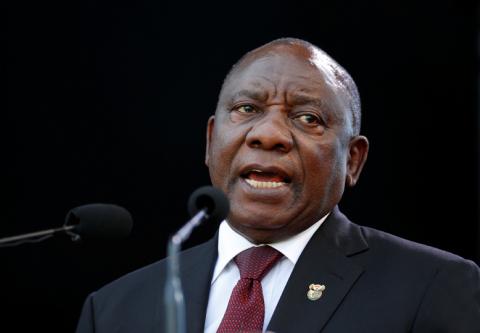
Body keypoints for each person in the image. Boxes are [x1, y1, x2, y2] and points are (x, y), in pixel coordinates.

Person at [75, 38, 480, 333]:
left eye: (308, 118)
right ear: (210, 140)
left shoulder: (434, 285)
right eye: (247, 109)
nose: (268, 134)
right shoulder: (113, 309)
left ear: (353, 160)